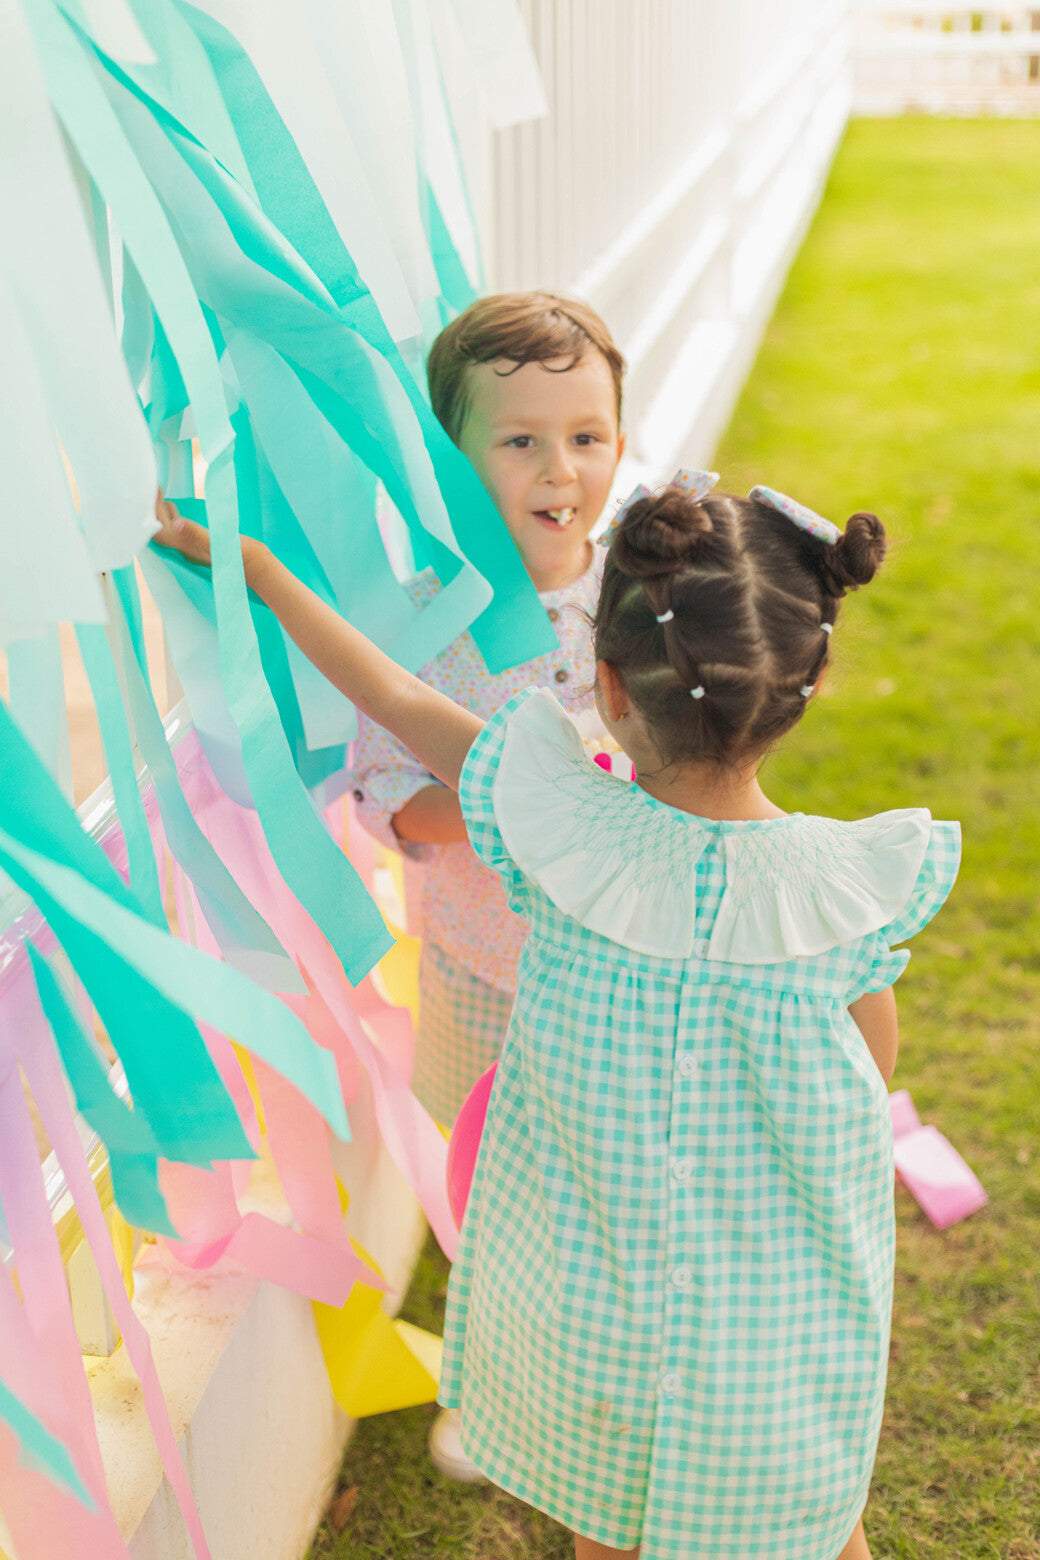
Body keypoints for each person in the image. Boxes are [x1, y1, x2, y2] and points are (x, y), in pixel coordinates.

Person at [154, 474, 960, 1560]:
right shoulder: (841, 887)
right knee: (813, 1524)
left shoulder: (556, 824)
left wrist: (262, 577)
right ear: (805, 679)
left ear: (608, 688)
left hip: (592, 1321)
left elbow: (392, 697)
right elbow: (870, 1056)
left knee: (609, 1536)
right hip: (773, 1321)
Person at [349, 292, 625, 1132]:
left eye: (586, 437)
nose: (560, 470)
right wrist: (502, 804)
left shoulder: (645, 595)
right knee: (479, 1160)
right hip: (484, 969)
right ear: (450, 462)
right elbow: (382, 795)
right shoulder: (424, 625)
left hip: (630, 963)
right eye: (520, 442)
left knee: (618, 1161)